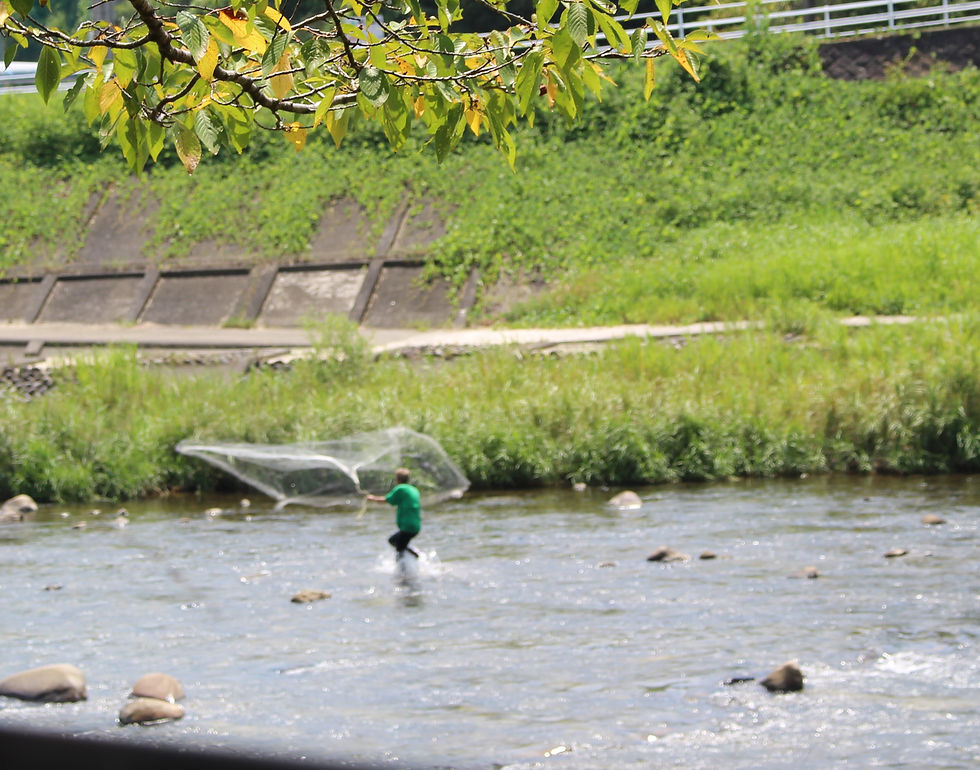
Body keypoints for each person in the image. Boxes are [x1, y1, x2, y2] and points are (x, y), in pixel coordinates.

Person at [366, 467, 421, 559]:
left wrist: (372, 498)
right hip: (415, 526)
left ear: (398, 479)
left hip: (407, 527)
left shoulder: (400, 488)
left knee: (399, 551)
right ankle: (412, 555)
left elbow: (387, 499)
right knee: (393, 541)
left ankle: (405, 568)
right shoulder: (414, 489)